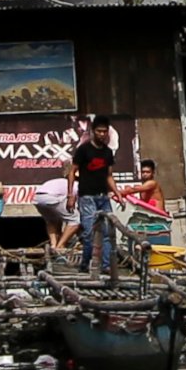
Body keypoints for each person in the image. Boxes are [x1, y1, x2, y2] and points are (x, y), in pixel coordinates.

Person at [69, 115, 117, 273]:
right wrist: (71, 195)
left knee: (108, 233)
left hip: (103, 197)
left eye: (105, 131)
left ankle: (106, 266)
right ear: (93, 131)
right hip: (87, 197)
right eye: (99, 131)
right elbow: (72, 172)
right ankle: (85, 263)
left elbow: (109, 176)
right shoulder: (83, 149)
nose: (102, 134)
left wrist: (118, 193)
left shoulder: (108, 152)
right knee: (89, 234)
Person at [32, 171, 72, 252]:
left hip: (37, 198)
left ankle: (53, 245)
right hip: (49, 197)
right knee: (75, 220)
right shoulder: (76, 186)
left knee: (52, 220)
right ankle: (60, 246)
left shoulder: (60, 182)